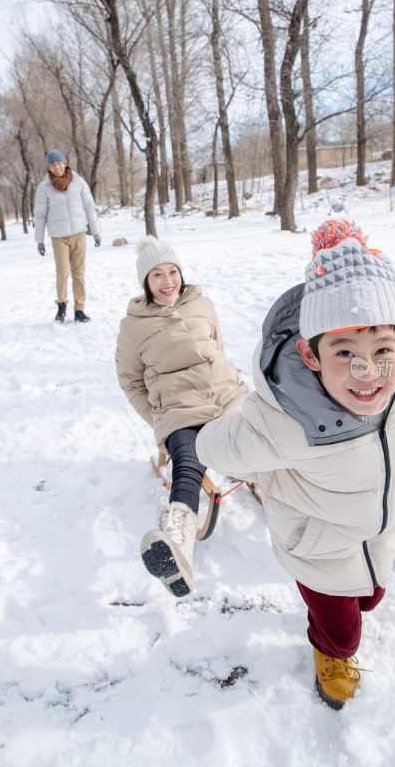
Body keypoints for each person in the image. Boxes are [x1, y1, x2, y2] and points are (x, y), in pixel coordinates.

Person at [196, 219, 395, 710]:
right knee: (343, 630)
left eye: (383, 350)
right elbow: (213, 448)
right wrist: (241, 428)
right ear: (310, 355)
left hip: (379, 527)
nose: (367, 372)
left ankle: (343, 619)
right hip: (318, 548)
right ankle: (330, 652)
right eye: (345, 352)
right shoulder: (287, 421)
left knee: (369, 597)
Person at [115, 237, 250, 598]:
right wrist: (158, 417)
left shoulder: (202, 304)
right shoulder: (133, 326)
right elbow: (129, 381)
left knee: (265, 437)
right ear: (146, 282)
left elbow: (218, 348)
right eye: (157, 274)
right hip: (178, 409)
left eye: (172, 271)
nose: (166, 280)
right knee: (188, 461)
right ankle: (179, 541)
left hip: (225, 395)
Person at [35, 149, 101, 323]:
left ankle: (79, 309)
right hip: (59, 237)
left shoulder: (79, 183)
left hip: (79, 234)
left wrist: (95, 232)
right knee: (63, 273)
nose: (57, 167)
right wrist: (39, 241)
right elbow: (40, 215)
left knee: (79, 273)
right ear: (49, 167)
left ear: (65, 163)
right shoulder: (44, 187)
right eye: (53, 164)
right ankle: (62, 306)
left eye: (59, 163)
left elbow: (89, 207)